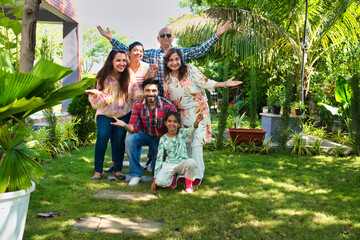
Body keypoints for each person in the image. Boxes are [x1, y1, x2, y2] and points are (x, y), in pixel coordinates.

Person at [162, 48, 243, 184]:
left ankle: (197, 175)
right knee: (185, 143)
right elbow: (167, 98)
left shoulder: (190, 69)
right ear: (167, 63)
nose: (174, 62)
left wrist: (224, 84)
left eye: (177, 59)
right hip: (181, 114)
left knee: (196, 143)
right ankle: (185, 173)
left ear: (181, 59)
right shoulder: (167, 78)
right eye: (171, 60)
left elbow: (205, 82)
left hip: (198, 111)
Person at [97, 20, 231, 94]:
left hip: (177, 92)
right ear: (158, 39)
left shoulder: (180, 53)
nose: (165, 37)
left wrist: (216, 36)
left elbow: (201, 50)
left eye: (168, 35)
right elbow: (130, 50)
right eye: (162, 35)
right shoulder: (151, 54)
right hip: (156, 93)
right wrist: (111, 38)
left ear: (172, 38)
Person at [85, 50, 142, 180]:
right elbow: (99, 99)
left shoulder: (129, 74)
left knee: (119, 140)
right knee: (102, 138)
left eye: (124, 60)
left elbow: (134, 89)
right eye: (118, 60)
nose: (121, 63)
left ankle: (117, 170)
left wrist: (139, 95)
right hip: (105, 113)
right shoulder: (102, 75)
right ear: (111, 61)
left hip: (123, 113)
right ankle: (98, 171)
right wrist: (95, 94)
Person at [111, 78, 177, 186]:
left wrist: (165, 149)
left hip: (161, 139)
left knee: (157, 174)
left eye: (154, 91)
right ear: (143, 91)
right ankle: (136, 174)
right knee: (130, 138)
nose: (151, 94)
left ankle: (156, 166)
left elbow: (174, 130)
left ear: (158, 91)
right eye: (147, 90)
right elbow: (133, 127)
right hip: (145, 134)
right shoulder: (137, 105)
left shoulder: (168, 106)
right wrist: (124, 125)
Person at [104, 41, 156, 173]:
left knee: (136, 133)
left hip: (139, 105)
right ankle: (116, 164)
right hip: (123, 105)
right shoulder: (123, 65)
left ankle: (140, 164)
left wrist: (153, 74)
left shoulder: (145, 67)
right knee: (117, 136)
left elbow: (148, 84)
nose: (138, 53)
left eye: (141, 51)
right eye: (135, 50)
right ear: (129, 52)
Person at [151, 112, 204, 194]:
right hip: (169, 165)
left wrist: (196, 122)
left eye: (175, 122)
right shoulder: (163, 139)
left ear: (179, 124)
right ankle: (173, 178)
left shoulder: (182, 133)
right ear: (165, 123)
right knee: (159, 181)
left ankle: (189, 183)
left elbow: (190, 131)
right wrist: (155, 179)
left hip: (181, 164)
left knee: (192, 162)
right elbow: (159, 158)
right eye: (169, 121)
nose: (172, 123)